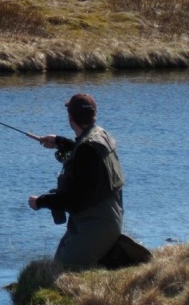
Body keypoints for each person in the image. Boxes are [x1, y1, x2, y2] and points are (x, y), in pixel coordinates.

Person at [28, 93, 125, 269]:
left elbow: (74, 200)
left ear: (70, 117)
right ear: (93, 114)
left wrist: (40, 202)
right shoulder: (101, 135)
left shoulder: (87, 149)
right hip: (109, 216)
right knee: (58, 260)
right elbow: (88, 157)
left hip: (97, 223)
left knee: (60, 269)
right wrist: (60, 141)